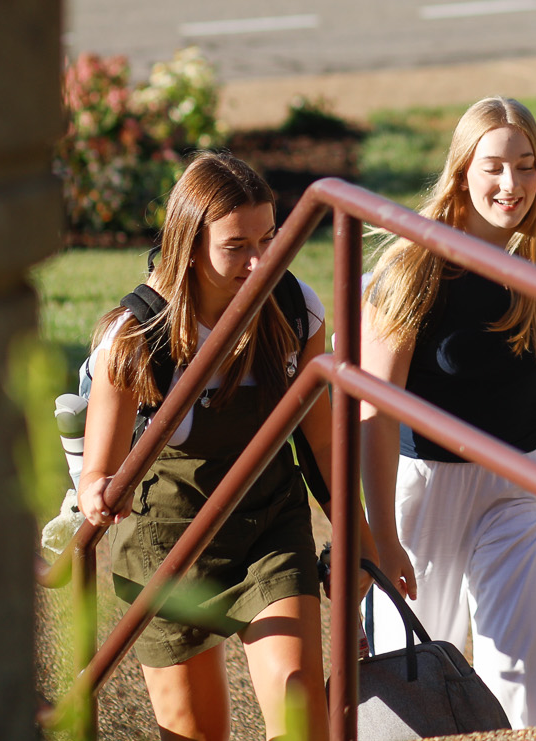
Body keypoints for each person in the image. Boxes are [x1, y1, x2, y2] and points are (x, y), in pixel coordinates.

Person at [359, 97, 536, 728]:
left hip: (523, 479)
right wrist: (380, 533)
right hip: (424, 482)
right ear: (462, 169)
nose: (512, 184)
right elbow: (377, 410)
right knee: (413, 663)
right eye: (494, 166)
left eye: (526, 167)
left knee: (519, 675)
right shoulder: (413, 264)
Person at [78, 151, 343, 741]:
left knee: (302, 709)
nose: (259, 261)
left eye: (269, 239)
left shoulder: (294, 310)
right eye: (236, 246)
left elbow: (322, 437)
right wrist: (95, 492)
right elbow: (98, 469)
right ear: (189, 244)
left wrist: (359, 534)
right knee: (196, 734)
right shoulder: (137, 334)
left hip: (267, 520)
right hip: (169, 539)